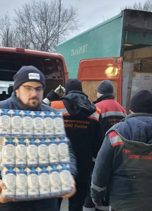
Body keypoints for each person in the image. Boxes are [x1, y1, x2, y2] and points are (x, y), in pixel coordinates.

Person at [0, 66, 77, 211]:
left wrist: (69, 174)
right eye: (28, 88)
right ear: (16, 89)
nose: (34, 93)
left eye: (38, 88)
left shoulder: (52, 117)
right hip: (1, 205)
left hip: (44, 204)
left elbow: (67, 153)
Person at [91, 90, 152, 211]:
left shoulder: (114, 135)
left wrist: (97, 194)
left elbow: (101, 168)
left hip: (121, 203)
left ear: (131, 110)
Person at [49, 79, 102, 211]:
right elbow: (98, 143)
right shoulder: (95, 111)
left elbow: (38, 110)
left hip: (58, 163)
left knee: (53, 203)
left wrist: (52, 94)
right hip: (83, 165)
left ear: (66, 91)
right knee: (77, 204)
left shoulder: (54, 106)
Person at [84, 80, 127, 211]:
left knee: (94, 185)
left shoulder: (96, 108)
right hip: (118, 156)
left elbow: (91, 134)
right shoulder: (122, 110)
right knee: (108, 188)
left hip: (98, 156)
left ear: (99, 93)